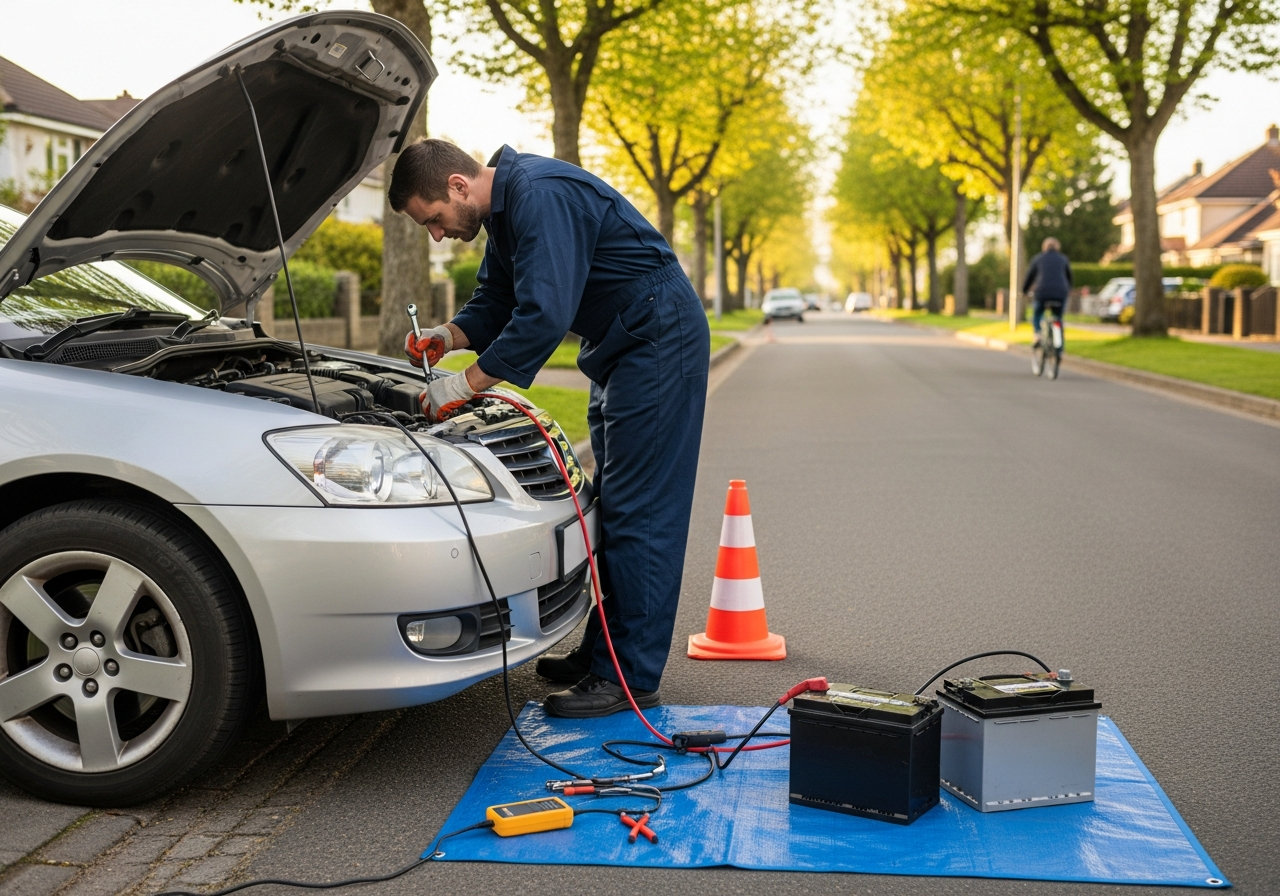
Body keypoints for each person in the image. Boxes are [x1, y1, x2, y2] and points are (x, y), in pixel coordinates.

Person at [388, 139, 710, 719]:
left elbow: (544, 314)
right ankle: (604, 651)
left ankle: (629, 679)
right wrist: (449, 336)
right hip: (621, 345)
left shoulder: (539, 195)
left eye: (433, 219)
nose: (436, 235)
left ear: (459, 186)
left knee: (643, 512)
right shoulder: (506, 212)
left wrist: (464, 386)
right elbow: (496, 301)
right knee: (613, 506)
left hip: (658, 340)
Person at [1022, 237, 1073, 346]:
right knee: (1058, 317)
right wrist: (1068, 290)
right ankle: (1058, 342)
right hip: (1060, 293)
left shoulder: (1038, 259)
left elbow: (1030, 277)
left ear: (1044, 247)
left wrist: (1024, 291)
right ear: (1057, 247)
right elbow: (1069, 277)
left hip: (1042, 293)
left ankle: (1038, 334)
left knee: (1037, 314)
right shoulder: (1063, 259)